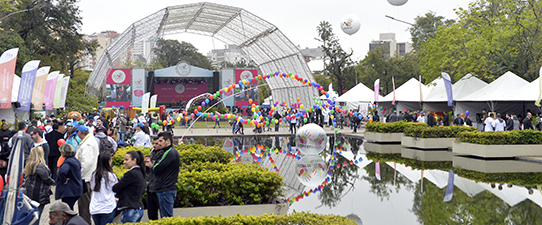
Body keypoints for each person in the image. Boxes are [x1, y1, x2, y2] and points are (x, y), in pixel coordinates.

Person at [150, 132, 180, 218]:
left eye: (160, 141)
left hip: (166, 190)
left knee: (166, 218)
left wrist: (151, 165)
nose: (159, 143)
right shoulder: (168, 151)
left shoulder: (170, 152)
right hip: (165, 189)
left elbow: (157, 168)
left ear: (167, 141)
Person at [112, 151, 146, 223]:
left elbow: (116, 188)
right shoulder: (140, 172)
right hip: (138, 208)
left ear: (134, 160)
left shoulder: (131, 174)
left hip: (130, 209)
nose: (124, 162)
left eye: (126, 160)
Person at [24, 146, 55, 224]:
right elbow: (46, 179)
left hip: (31, 191)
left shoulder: (30, 164)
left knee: (32, 214)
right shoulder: (40, 166)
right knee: (38, 214)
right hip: (39, 193)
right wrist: (54, 182)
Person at [75, 125, 99, 224]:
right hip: (87, 177)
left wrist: (78, 175)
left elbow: (86, 163)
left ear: (80, 133)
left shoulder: (87, 144)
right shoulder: (88, 140)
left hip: (85, 178)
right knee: (84, 205)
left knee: (84, 206)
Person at [90, 152, 118, 225]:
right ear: (109, 162)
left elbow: (92, 187)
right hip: (107, 208)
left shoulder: (93, 174)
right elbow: (115, 189)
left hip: (95, 207)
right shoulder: (111, 176)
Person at [56, 144, 83, 210]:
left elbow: (62, 171)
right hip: (77, 188)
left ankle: (70, 220)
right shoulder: (75, 160)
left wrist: (64, 180)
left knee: (68, 209)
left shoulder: (67, 162)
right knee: (70, 208)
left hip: (69, 191)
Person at [144, 137, 162, 220]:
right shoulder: (152, 153)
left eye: (156, 144)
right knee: (151, 214)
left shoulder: (165, 154)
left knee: (163, 213)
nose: (154, 145)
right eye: (153, 143)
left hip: (160, 187)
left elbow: (161, 170)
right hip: (150, 187)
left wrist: (152, 166)